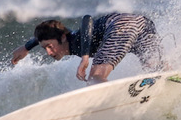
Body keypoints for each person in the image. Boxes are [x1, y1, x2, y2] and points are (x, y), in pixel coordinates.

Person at [11, 12, 166, 82]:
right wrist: (26, 48)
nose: (49, 52)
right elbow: (49, 36)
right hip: (143, 24)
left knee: (95, 77)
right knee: (157, 71)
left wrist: (85, 57)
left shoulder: (78, 39)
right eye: (44, 48)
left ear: (63, 37)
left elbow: (87, 19)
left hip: (121, 25)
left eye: (50, 46)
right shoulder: (68, 36)